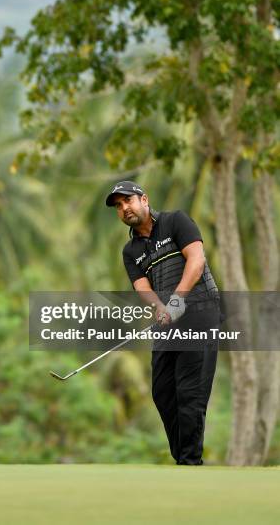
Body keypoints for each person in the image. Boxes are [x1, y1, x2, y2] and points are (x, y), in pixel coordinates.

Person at [105, 180, 221, 466]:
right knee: (163, 391)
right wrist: (160, 308)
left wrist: (179, 299)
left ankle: (190, 462)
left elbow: (196, 260)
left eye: (128, 201)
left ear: (144, 199)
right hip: (169, 321)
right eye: (119, 206)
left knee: (189, 391)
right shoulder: (130, 251)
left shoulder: (176, 222)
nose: (124, 209)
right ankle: (183, 459)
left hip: (200, 312)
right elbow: (143, 286)